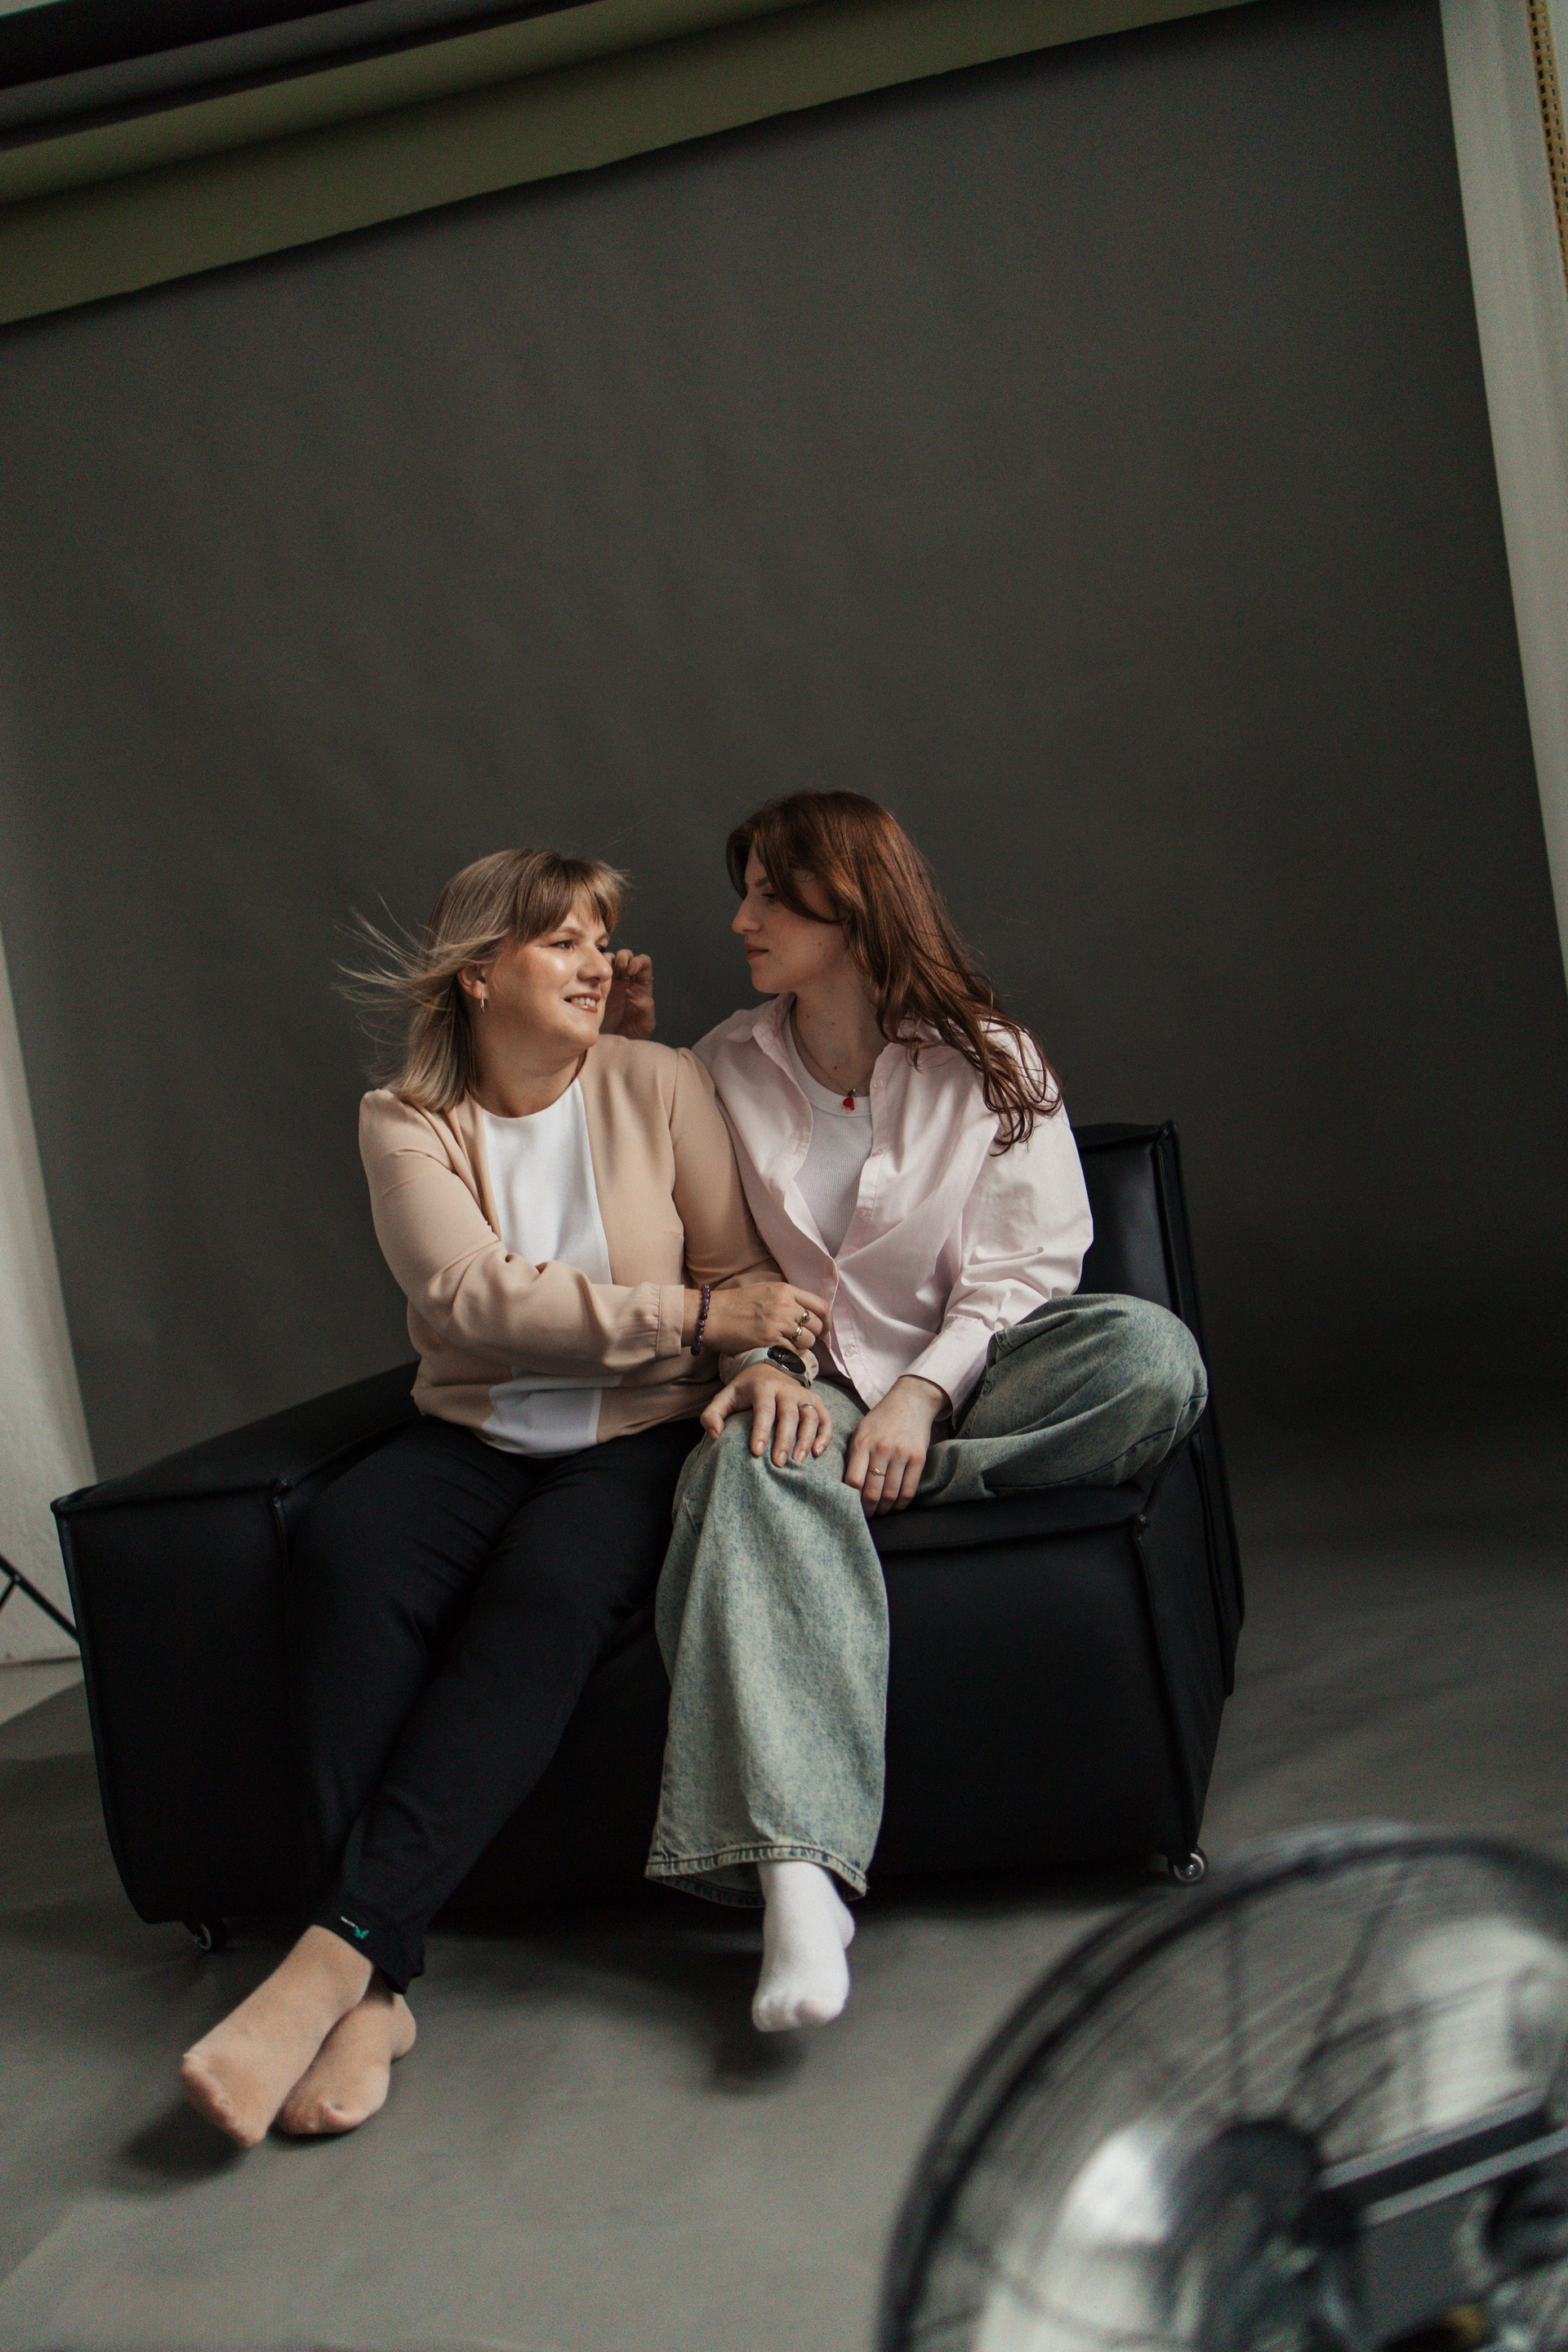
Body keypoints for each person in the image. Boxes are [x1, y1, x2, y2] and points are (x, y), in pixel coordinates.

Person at [178, 847, 831, 2146]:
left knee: (548, 1594)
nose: (598, 963)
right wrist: (694, 1318)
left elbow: (739, 1271)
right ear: (479, 974)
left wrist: (751, 1356)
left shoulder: (659, 1082)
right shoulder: (404, 1118)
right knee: (350, 1549)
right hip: (474, 1433)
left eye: (601, 939)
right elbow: (469, 1298)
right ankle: (375, 1993)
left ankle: (333, 1961)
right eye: (561, 942)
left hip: (637, 1433)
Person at [644, 791, 1209, 2031]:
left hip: (987, 1383)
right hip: (822, 1385)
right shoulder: (718, 1068)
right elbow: (718, 1255)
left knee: (1150, 1355)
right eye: (744, 893)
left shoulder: (990, 1058)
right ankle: (799, 1882)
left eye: (771, 896)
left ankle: (849, 1500)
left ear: (850, 908)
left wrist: (920, 1395)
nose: (740, 920)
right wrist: (774, 1366)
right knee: (749, 1456)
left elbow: (1028, 1269)